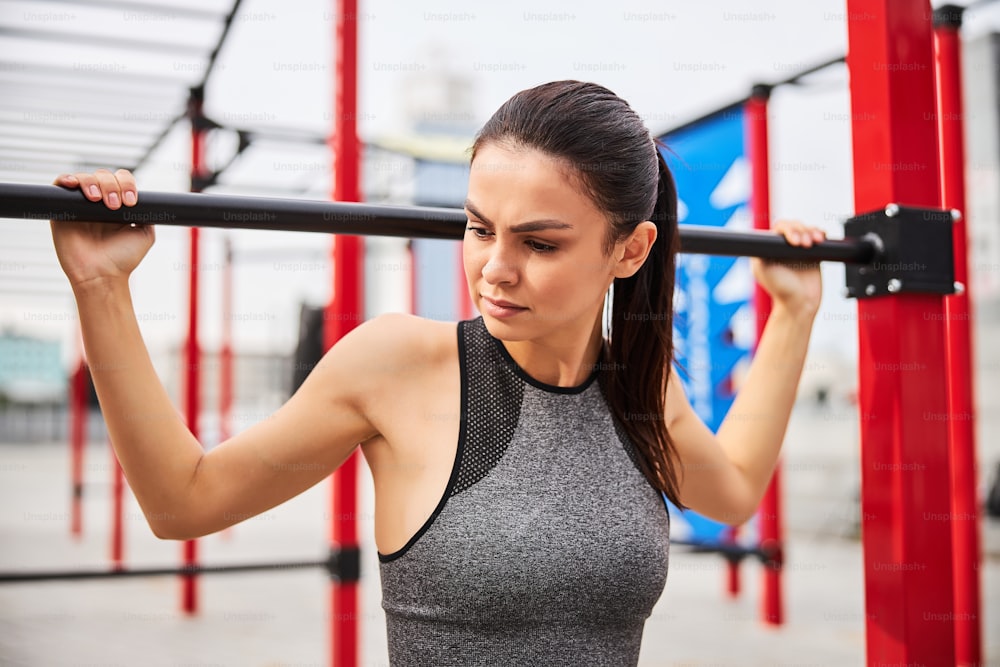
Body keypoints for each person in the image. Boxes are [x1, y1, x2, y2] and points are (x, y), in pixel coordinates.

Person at [50, 80, 823, 665]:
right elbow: (183, 501)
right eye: (479, 228)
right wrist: (102, 288)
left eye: (540, 243)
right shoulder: (400, 364)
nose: (495, 268)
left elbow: (729, 491)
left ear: (630, 249)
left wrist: (792, 316)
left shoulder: (634, 384)